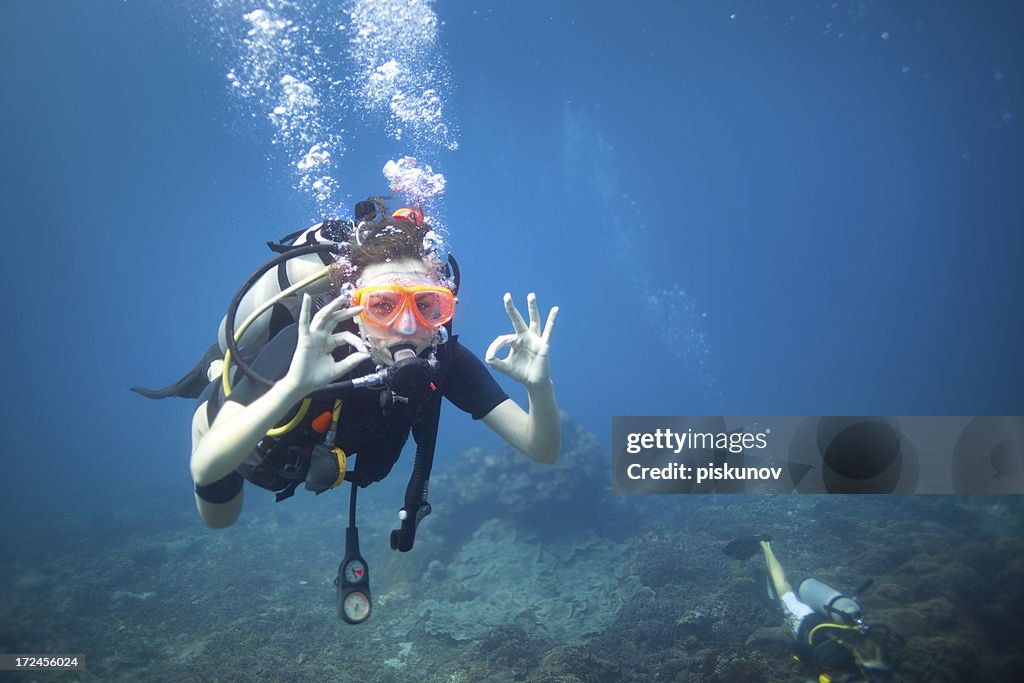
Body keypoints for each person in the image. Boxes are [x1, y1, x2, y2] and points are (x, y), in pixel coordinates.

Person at [186, 201, 561, 529]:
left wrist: (539, 388)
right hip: (241, 447)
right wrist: (293, 386)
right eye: (383, 305)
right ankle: (218, 372)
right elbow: (206, 467)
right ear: (354, 308)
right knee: (221, 520)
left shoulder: (444, 360)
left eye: (427, 305)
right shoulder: (310, 347)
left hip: (308, 454)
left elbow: (541, 450)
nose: (408, 325)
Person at [723, 536, 895, 682]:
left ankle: (765, 547)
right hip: (804, 621)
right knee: (781, 586)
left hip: (827, 621)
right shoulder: (834, 657)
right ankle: (764, 545)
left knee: (780, 592)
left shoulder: (872, 649)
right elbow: (802, 652)